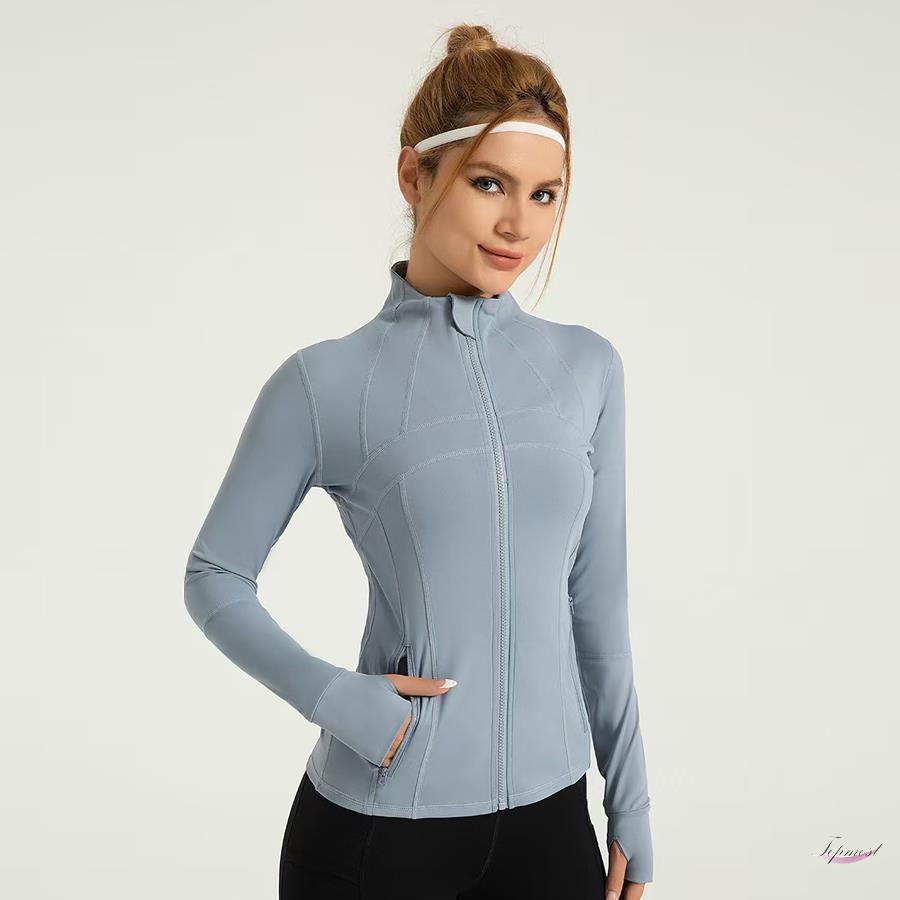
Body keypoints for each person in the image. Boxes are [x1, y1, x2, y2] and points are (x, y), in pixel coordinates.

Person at [184, 22, 654, 900]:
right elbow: (214, 576)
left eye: (546, 194)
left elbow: (598, 605)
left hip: (555, 827)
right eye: (489, 183)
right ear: (414, 175)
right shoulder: (326, 382)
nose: (519, 223)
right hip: (378, 833)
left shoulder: (587, 369)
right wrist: (334, 697)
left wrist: (630, 796)